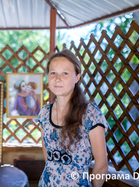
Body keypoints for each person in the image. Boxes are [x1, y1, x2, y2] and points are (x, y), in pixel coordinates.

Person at [38, 49, 108, 187]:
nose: (57, 78)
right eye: (53, 73)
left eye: (65, 73)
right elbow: (48, 157)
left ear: (77, 77)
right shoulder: (45, 113)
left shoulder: (91, 114)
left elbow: (101, 166)